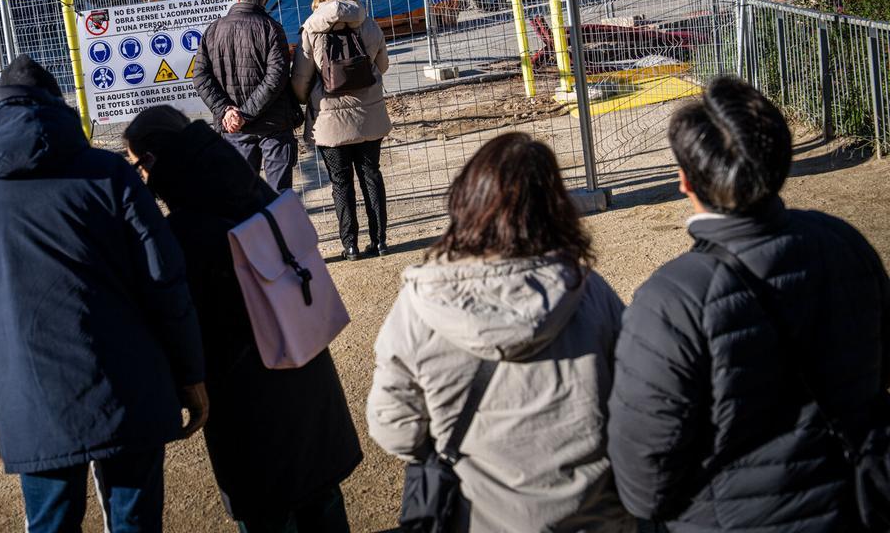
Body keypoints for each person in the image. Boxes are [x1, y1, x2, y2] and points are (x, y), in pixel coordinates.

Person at [0, 55, 207, 533]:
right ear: (58, 107)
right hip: (129, 390)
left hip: (28, 402)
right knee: (136, 523)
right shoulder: (111, 175)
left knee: (51, 526)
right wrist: (190, 374)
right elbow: (165, 280)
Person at [608, 76, 889, 531]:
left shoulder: (671, 301)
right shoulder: (845, 241)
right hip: (854, 506)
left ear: (684, 180)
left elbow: (643, 483)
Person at [367, 133, 635, 531]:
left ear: (466, 200)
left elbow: (395, 429)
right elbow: (636, 405)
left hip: (477, 516)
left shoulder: (419, 306)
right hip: (594, 517)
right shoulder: (592, 294)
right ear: (555, 207)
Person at [123, 107, 362, 533]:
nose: (137, 178)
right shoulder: (260, 195)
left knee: (268, 512)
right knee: (322, 502)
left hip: (247, 406)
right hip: (307, 376)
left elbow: (184, 325)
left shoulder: (183, 233)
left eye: (136, 166)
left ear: (155, 162)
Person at [290, 0, 390, 260]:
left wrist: (303, 99)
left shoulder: (311, 28)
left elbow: (301, 79)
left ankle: (350, 245)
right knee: (371, 175)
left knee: (340, 182)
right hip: (369, 115)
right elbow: (382, 64)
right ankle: (380, 240)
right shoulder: (368, 23)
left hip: (330, 121)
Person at [193, 0, 303, 192]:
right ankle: (278, 228)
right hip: (273, 126)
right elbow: (277, 77)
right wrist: (244, 113)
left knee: (240, 196)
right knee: (279, 197)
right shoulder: (272, 29)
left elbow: (200, 76)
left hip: (234, 129)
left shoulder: (214, 30)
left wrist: (226, 111)